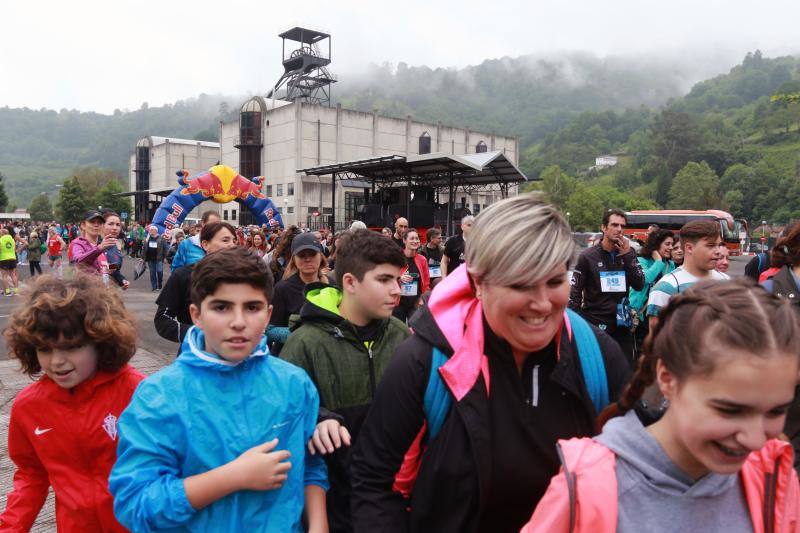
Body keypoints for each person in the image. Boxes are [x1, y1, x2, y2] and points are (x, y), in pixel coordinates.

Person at [350, 194, 630, 532]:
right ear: (479, 283)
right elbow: (375, 483)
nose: (542, 304)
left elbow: (639, 470)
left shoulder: (596, 356)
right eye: (521, 283)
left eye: (554, 281)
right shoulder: (425, 361)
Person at [522, 279, 800, 532]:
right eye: (729, 410)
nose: (754, 439)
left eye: (776, 411)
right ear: (667, 378)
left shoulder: (774, 475)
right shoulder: (587, 487)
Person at [110, 247, 329, 532]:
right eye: (221, 307)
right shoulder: (159, 396)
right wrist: (232, 477)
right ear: (196, 315)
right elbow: (136, 504)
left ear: (268, 314)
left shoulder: (294, 383)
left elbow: (310, 463)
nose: (238, 322)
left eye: (252, 307)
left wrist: (318, 523)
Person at [281, 230, 409, 533]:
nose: (396, 291)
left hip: (392, 504)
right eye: (384, 280)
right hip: (331, 506)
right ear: (350, 282)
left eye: (398, 280)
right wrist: (319, 418)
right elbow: (283, 416)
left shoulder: (402, 336)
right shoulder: (305, 343)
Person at [0, 273, 143, 531]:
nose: (57, 361)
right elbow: (31, 475)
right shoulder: (28, 407)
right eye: (44, 349)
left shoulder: (139, 393)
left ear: (100, 341)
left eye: (71, 347)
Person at [569, 209, 645, 365]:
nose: (619, 229)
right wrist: (576, 324)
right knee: (598, 369)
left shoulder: (628, 254)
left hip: (622, 323)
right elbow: (575, 292)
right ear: (604, 228)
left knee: (625, 372)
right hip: (596, 322)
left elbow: (639, 285)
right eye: (614, 225)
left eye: (622, 226)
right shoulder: (588, 256)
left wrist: (628, 255)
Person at [154, 222, 238, 344]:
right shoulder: (183, 275)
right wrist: (200, 336)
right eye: (225, 240)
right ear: (205, 244)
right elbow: (163, 320)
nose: (232, 245)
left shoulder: (242, 277)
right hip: (195, 355)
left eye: (234, 241)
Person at [646, 220, 729, 328]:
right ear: (689, 248)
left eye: (719, 245)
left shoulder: (726, 281)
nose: (718, 251)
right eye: (711, 245)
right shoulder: (666, 287)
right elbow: (656, 338)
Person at [267, 232, 329, 352]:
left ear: (320, 256)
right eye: (301, 255)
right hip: (291, 357)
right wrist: (302, 335)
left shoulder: (332, 286)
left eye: (312, 254)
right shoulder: (282, 289)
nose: (307, 259)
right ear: (294, 259)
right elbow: (270, 329)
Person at [628, 229, 675, 351]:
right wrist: (658, 262)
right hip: (640, 314)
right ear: (656, 244)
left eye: (672, 244)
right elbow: (645, 279)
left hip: (660, 314)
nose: (671, 247)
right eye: (667, 244)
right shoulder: (641, 261)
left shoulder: (670, 265)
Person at [393, 229, 430, 323]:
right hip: (398, 302)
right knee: (399, 333)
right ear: (404, 240)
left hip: (415, 302)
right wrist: (399, 277)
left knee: (415, 331)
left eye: (417, 238)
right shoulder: (396, 257)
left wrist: (423, 298)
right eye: (412, 238)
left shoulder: (422, 260)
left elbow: (426, 283)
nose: (415, 241)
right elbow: (387, 276)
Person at [69, 210, 118, 281]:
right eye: (92, 222)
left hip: (101, 289)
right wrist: (99, 248)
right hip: (84, 289)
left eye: (99, 222)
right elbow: (78, 262)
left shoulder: (101, 245)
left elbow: (101, 267)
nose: (96, 225)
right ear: (83, 225)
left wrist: (112, 266)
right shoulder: (77, 243)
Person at [102, 211, 130, 290]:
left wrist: (122, 281)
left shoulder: (114, 244)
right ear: (102, 225)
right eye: (111, 224)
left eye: (118, 225)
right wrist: (105, 268)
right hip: (93, 292)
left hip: (111, 291)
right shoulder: (94, 244)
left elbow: (115, 269)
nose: (115, 228)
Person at [143, 225, 169, 291]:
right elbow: (144, 249)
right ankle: (154, 286)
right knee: (152, 273)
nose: (150, 231)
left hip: (159, 258)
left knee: (159, 271)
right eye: (150, 230)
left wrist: (166, 257)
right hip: (150, 258)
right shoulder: (147, 238)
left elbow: (166, 248)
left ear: (156, 231)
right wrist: (142, 258)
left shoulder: (161, 239)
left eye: (152, 230)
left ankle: (160, 283)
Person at [0, 229, 19, 296]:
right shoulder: (12, 240)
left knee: (4, 276)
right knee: (13, 275)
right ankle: (16, 291)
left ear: (2, 233)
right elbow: (14, 249)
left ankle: (7, 291)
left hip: (3, 258)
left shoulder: (1, 240)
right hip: (12, 258)